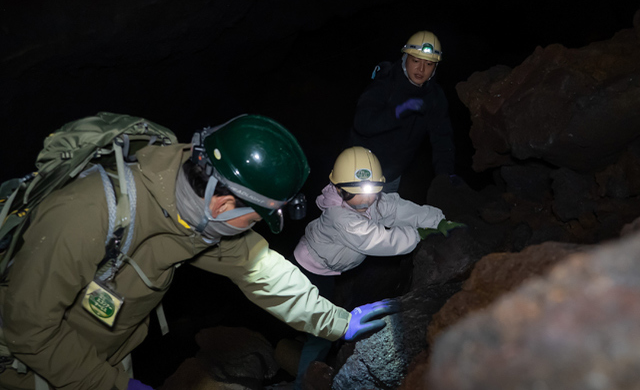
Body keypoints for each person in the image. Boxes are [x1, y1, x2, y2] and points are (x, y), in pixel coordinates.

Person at [0, 115, 398, 390]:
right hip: (27, 373)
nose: (255, 228)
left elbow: (260, 269)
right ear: (224, 206)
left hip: (105, 355)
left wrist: (337, 322)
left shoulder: (196, 216)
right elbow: (28, 330)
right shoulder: (84, 218)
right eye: (256, 218)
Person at [289, 146, 464, 389]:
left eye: (372, 190)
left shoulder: (370, 200)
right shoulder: (340, 217)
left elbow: (397, 208)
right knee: (320, 333)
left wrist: (436, 219)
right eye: (356, 192)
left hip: (334, 266)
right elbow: (380, 240)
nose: (367, 199)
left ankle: (320, 342)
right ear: (339, 190)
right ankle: (302, 383)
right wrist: (420, 233)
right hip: (311, 270)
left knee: (339, 305)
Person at [347, 30, 456, 193]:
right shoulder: (386, 81)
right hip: (359, 168)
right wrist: (398, 112)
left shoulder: (435, 97)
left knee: (384, 217)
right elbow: (362, 123)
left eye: (428, 64)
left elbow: (442, 138)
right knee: (350, 216)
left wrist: (446, 175)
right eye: (416, 60)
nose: (421, 69)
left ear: (435, 67)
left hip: (392, 175)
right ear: (405, 58)